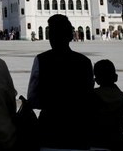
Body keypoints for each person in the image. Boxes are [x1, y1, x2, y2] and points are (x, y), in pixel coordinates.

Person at [27, 14, 94, 149]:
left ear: (50, 36)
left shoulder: (41, 59)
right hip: (78, 132)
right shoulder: (84, 62)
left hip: (49, 131)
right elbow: (89, 97)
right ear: (70, 36)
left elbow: (33, 99)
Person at [90, 59, 123, 151]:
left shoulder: (92, 96)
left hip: (96, 141)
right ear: (115, 77)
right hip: (117, 140)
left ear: (96, 80)